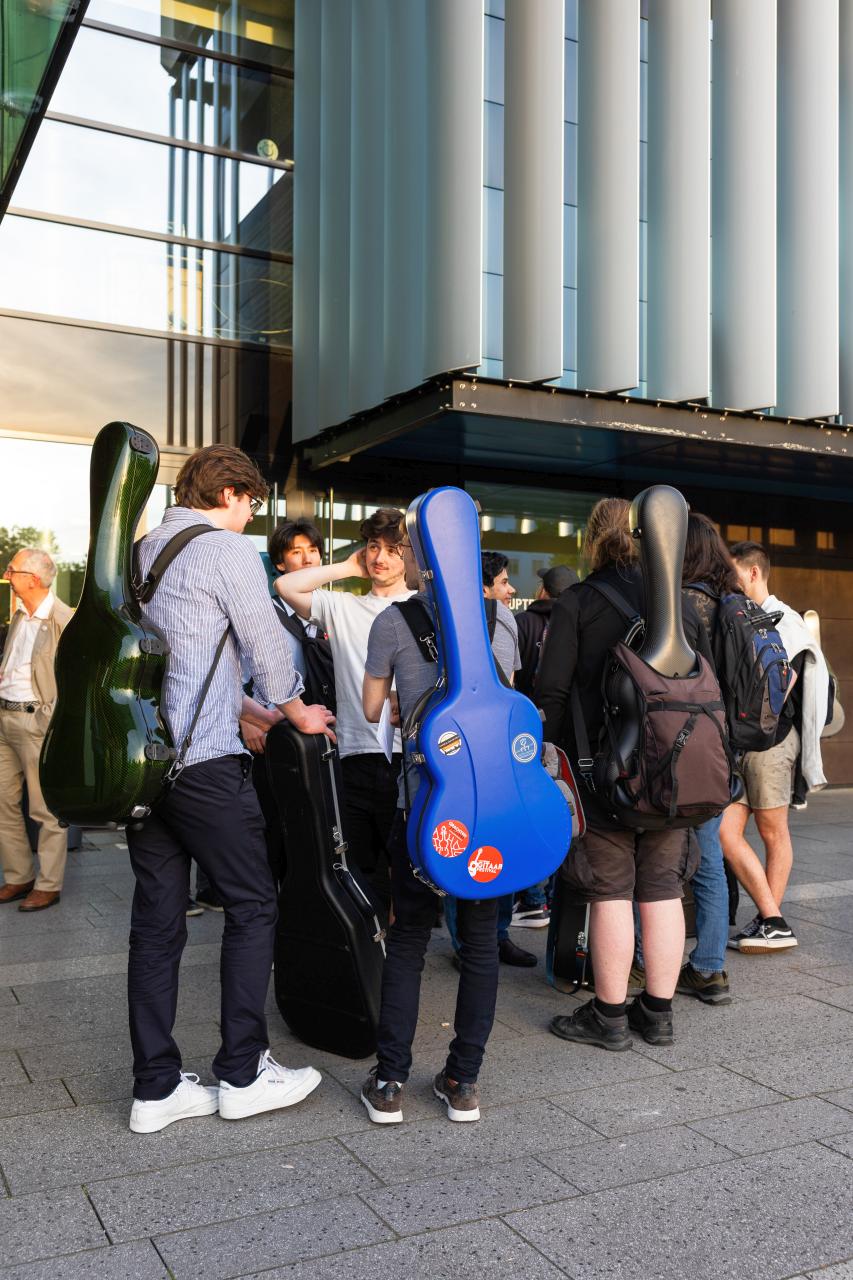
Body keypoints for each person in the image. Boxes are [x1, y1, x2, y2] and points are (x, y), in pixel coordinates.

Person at [126, 444, 335, 1134]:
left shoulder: (142, 552)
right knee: (252, 904)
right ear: (230, 495)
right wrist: (295, 710)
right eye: (251, 503)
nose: (251, 516)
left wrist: (247, 709)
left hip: (149, 764)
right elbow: (266, 646)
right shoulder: (225, 550)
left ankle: (156, 1089)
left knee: (156, 925)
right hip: (206, 765)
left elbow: (180, 659)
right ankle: (243, 1073)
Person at [536, 498, 711, 1051]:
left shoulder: (577, 602)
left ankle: (609, 1017)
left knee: (609, 889)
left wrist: (550, 762)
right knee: (663, 888)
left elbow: (551, 693)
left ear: (592, 542)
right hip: (672, 774)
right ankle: (657, 1013)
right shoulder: (680, 606)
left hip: (600, 774)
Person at [359, 535, 499, 1124]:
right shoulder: (495, 618)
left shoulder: (392, 622)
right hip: (489, 809)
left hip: (424, 809)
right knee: (482, 943)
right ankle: (462, 1082)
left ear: (420, 559)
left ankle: (390, 1081)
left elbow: (371, 709)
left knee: (410, 939)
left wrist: (404, 698)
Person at [276, 508, 413, 917]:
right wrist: (348, 566)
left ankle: (399, 945)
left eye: (392, 549)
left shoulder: (421, 609)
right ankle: (374, 943)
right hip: (353, 755)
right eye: (373, 547)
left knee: (405, 869)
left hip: (408, 756)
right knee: (360, 867)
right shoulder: (344, 606)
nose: (380, 557)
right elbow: (285, 584)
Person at [721, 540, 829, 954]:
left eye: (733, 573)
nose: (728, 582)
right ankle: (772, 918)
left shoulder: (786, 623)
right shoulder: (742, 618)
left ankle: (771, 921)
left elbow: (781, 690)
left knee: (772, 831)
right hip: (742, 744)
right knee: (725, 833)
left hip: (773, 743)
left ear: (752, 572)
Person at [446, 552, 537, 966]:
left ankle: (468, 942)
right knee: (498, 836)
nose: (510, 589)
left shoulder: (446, 615)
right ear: (483, 588)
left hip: (457, 747)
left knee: (462, 839)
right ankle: (492, 937)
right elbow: (512, 688)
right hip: (497, 748)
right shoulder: (501, 617)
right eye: (502, 581)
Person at [668, 513, 742, 1004]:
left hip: (688, 743)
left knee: (662, 857)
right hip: (727, 746)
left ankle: (644, 961)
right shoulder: (734, 602)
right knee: (711, 857)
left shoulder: (684, 604)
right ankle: (710, 968)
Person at [0, 548, 72, 911]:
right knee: (3, 804)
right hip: (4, 719)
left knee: (45, 810)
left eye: (11, 570)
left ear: (32, 579)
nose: (6, 576)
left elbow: (75, 678)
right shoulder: (18, 616)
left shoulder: (63, 620)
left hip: (37, 724)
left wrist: (50, 717)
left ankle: (48, 884)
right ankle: (19, 877)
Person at [510, 563, 578, 931]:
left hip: (526, 734)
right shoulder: (578, 622)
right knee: (562, 814)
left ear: (543, 591)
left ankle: (533, 900)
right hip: (567, 737)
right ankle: (548, 897)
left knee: (529, 814)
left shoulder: (522, 623)